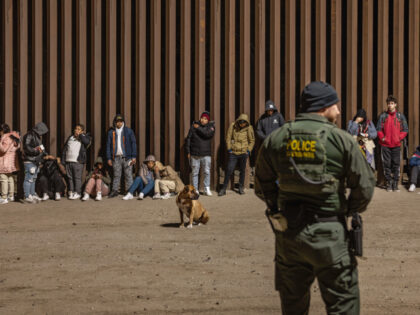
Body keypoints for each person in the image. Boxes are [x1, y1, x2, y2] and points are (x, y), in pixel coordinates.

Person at [255, 81, 375, 314]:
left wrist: (277, 206)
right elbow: (365, 188)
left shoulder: (277, 138)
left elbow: (261, 185)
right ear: (324, 107)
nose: (339, 111)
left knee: (293, 306)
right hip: (331, 235)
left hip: (289, 235)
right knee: (343, 305)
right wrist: (346, 210)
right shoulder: (341, 140)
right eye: (335, 105)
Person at [376, 95, 408, 192]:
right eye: (389, 104)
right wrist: (383, 138)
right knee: (386, 165)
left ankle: (395, 184)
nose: (390, 105)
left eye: (392, 103)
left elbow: (405, 130)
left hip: (396, 145)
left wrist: (399, 138)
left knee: (396, 164)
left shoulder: (400, 116)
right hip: (385, 145)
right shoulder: (383, 116)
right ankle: (388, 184)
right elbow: (378, 129)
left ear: (396, 105)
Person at [218, 114, 255, 196]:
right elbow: (228, 137)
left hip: (243, 152)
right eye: (241, 123)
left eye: (244, 123)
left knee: (242, 170)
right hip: (234, 152)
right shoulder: (233, 126)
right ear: (238, 122)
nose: (242, 125)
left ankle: (240, 188)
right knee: (229, 169)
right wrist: (229, 149)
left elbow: (252, 140)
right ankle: (223, 189)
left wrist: (248, 151)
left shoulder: (249, 128)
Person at [106, 114, 137, 197]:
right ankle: (115, 190)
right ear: (115, 123)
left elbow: (133, 143)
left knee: (128, 175)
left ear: (123, 122)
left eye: (120, 121)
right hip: (116, 157)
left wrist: (134, 156)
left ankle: (131, 191)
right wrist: (109, 158)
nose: (119, 123)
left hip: (127, 157)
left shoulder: (128, 131)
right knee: (116, 175)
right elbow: (108, 146)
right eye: (117, 122)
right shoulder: (111, 133)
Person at [185, 111, 215, 196]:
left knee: (207, 171)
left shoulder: (211, 127)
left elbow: (207, 134)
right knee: (195, 172)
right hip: (195, 154)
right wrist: (188, 151)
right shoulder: (193, 127)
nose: (203, 120)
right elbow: (188, 139)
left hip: (206, 154)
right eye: (202, 118)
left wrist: (198, 128)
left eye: (205, 119)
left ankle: (207, 188)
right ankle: (195, 190)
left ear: (208, 120)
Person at [62, 124, 91, 200]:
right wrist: (63, 160)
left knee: (77, 178)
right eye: (76, 129)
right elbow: (65, 149)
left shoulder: (84, 138)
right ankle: (71, 191)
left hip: (78, 161)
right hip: (68, 161)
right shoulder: (70, 138)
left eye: (79, 129)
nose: (76, 130)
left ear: (82, 131)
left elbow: (87, 142)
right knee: (70, 178)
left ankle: (77, 192)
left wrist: (81, 135)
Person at [22, 122, 49, 203]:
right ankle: (27, 195)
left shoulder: (37, 136)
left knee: (33, 179)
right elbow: (26, 147)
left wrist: (44, 153)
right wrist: (36, 151)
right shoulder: (29, 135)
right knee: (28, 179)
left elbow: (40, 148)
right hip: (30, 160)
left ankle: (32, 194)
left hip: (35, 160)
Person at [0, 124, 20, 204]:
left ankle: (4, 197)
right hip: (12, 161)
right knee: (10, 178)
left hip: (4, 161)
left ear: (2, 131)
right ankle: (11, 195)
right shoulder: (14, 137)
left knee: (3, 178)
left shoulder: (6, 138)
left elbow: (3, 149)